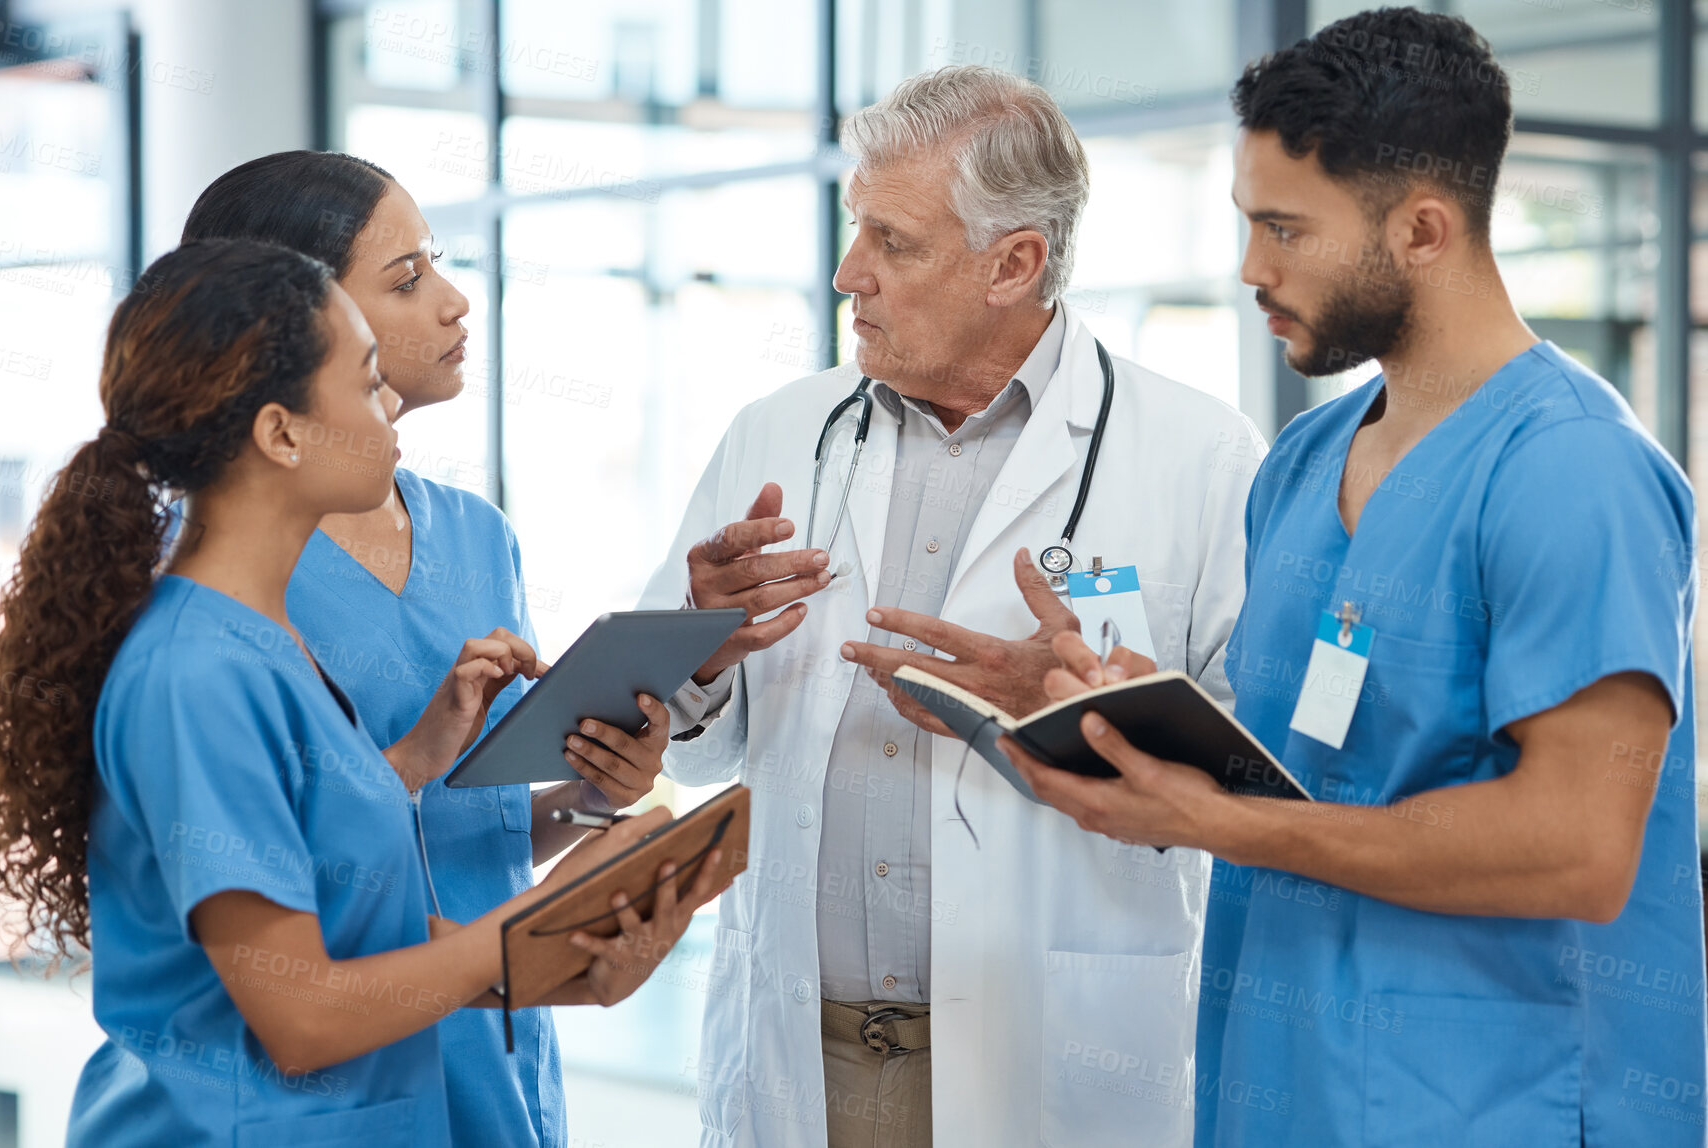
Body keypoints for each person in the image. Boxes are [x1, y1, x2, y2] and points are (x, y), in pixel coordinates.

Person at [997, 10, 1707, 1146]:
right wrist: (1111, 700)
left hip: (1497, 1105)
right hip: (1282, 1087)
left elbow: (1578, 843)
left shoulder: (1574, 473)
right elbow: (1305, 760)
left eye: (1284, 229)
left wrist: (1224, 825)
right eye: (1245, 222)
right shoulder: (1300, 465)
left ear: (1421, 229)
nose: (1249, 268)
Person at [0, 239, 725, 1147]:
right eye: (367, 386)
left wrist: (572, 953)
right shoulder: (197, 672)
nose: (391, 417)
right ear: (282, 433)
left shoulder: (266, 643)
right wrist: (533, 921)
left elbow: (367, 934)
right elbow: (302, 1020)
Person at [640, 65, 1266, 1148]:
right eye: (854, 232)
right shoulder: (776, 433)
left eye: (893, 242)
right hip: (800, 1046)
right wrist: (700, 645)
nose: (847, 275)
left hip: (1052, 1054)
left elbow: (1258, 786)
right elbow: (686, 749)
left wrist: (1069, 714)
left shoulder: (1198, 457)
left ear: (1012, 263)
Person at [181, 152, 670, 1147]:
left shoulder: (476, 532)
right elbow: (264, 870)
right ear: (296, 324)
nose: (454, 304)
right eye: (405, 280)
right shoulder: (221, 574)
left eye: (437, 266)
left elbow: (475, 833)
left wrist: (588, 797)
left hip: (498, 1058)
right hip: (341, 1071)